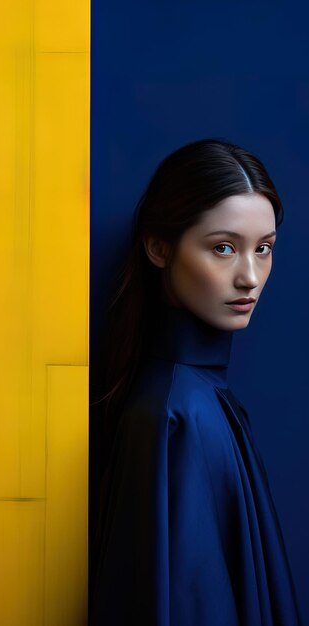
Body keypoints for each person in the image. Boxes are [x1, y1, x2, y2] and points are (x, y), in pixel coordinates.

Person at [89, 138, 303, 625]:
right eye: (223, 248)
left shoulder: (196, 401)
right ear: (159, 248)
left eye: (264, 249)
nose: (250, 276)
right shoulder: (178, 413)